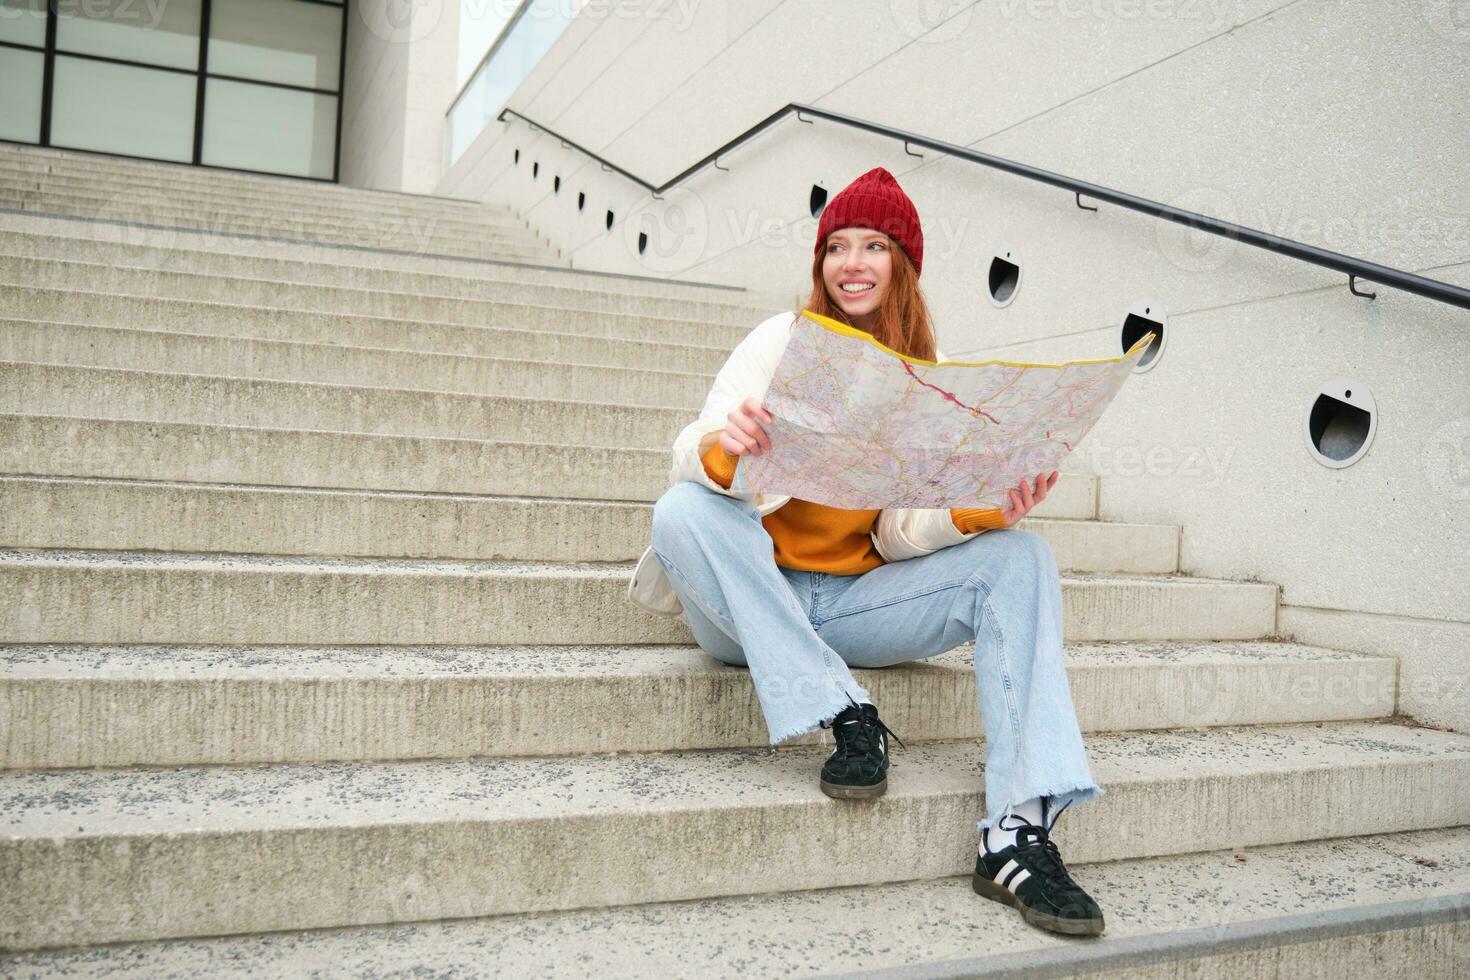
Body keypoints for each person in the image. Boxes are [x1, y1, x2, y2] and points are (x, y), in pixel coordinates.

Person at [625, 167, 1106, 937]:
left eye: (874, 246)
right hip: (750, 606)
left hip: (852, 606)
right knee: (681, 509)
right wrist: (723, 452)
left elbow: (895, 534)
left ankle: (1015, 832)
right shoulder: (778, 341)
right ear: (819, 264)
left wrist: (976, 513)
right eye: (837, 247)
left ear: (902, 265)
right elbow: (690, 448)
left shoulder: (925, 374)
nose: (852, 263)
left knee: (1023, 557)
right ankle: (841, 705)